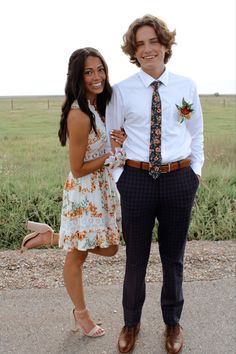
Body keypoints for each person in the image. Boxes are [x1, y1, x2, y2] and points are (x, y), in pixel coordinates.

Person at [105, 14, 204, 354]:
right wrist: (121, 178)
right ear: (134, 51)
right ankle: (130, 323)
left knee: (173, 257)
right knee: (136, 258)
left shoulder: (185, 87)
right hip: (136, 181)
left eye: (153, 41)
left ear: (165, 44)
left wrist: (196, 171)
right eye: (140, 44)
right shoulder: (121, 91)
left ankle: (172, 323)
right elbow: (111, 140)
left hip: (179, 180)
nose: (147, 49)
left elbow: (196, 132)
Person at [21, 47, 126, 338]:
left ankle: (50, 237)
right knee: (78, 257)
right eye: (89, 72)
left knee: (110, 247)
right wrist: (110, 155)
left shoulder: (97, 106)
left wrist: (117, 142)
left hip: (101, 189)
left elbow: (102, 147)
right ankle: (81, 315)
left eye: (100, 69)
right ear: (78, 78)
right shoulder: (79, 115)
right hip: (85, 194)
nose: (97, 77)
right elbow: (78, 169)